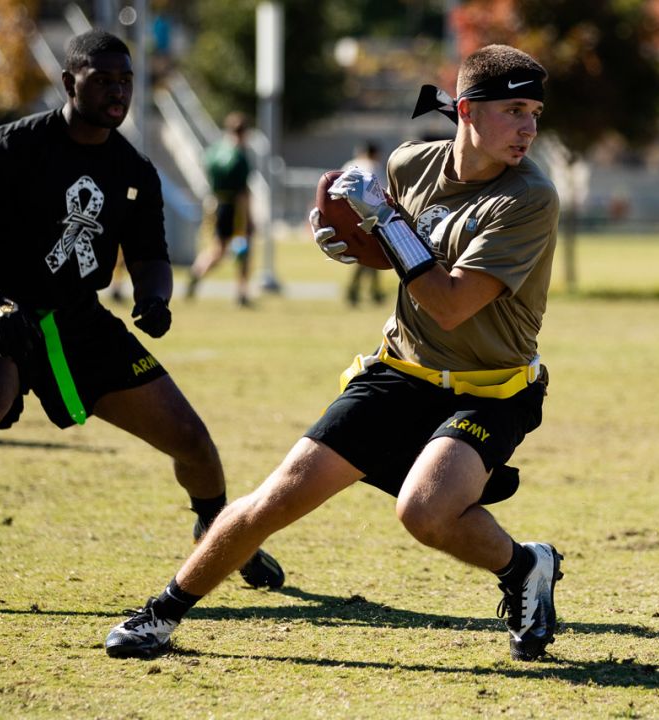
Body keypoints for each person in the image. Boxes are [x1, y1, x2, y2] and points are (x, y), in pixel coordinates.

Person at [105, 44, 564, 663]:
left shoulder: (531, 197)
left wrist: (386, 225)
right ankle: (160, 613)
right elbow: (389, 252)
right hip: (400, 370)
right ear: (465, 112)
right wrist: (345, 241)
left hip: (493, 386)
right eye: (513, 110)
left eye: (534, 111)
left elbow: (451, 303)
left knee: (425, 512)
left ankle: (524, 567)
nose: (529, 127)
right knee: (277, 496)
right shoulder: (410, 163)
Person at [0, 30, 284, 589]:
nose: (119, 92)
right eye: (104, 79)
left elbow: (150, 254)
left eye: (126, 81)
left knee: (193, 442)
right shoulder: (9, 147)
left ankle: (216, 531)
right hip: (0, 306)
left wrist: (155, 297)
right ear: (70, 82)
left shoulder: (135, 171)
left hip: (79, 317)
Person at [186, 111, 254, 307]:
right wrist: (248, 218)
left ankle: (197, 270)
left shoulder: (214, 151)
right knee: (244, 248)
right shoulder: (239, 157)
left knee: (217, 249)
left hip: (216, 203)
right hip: (234, 206)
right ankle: (242, 293)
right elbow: (243, 192)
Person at [341, 140, 387, 307]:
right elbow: (381, 191)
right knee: (370, 256)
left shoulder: (350, 165)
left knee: (368, 257)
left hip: (348, 216)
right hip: (369, 217)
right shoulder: (374, 167)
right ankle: (356, 291)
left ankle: (373, 292)